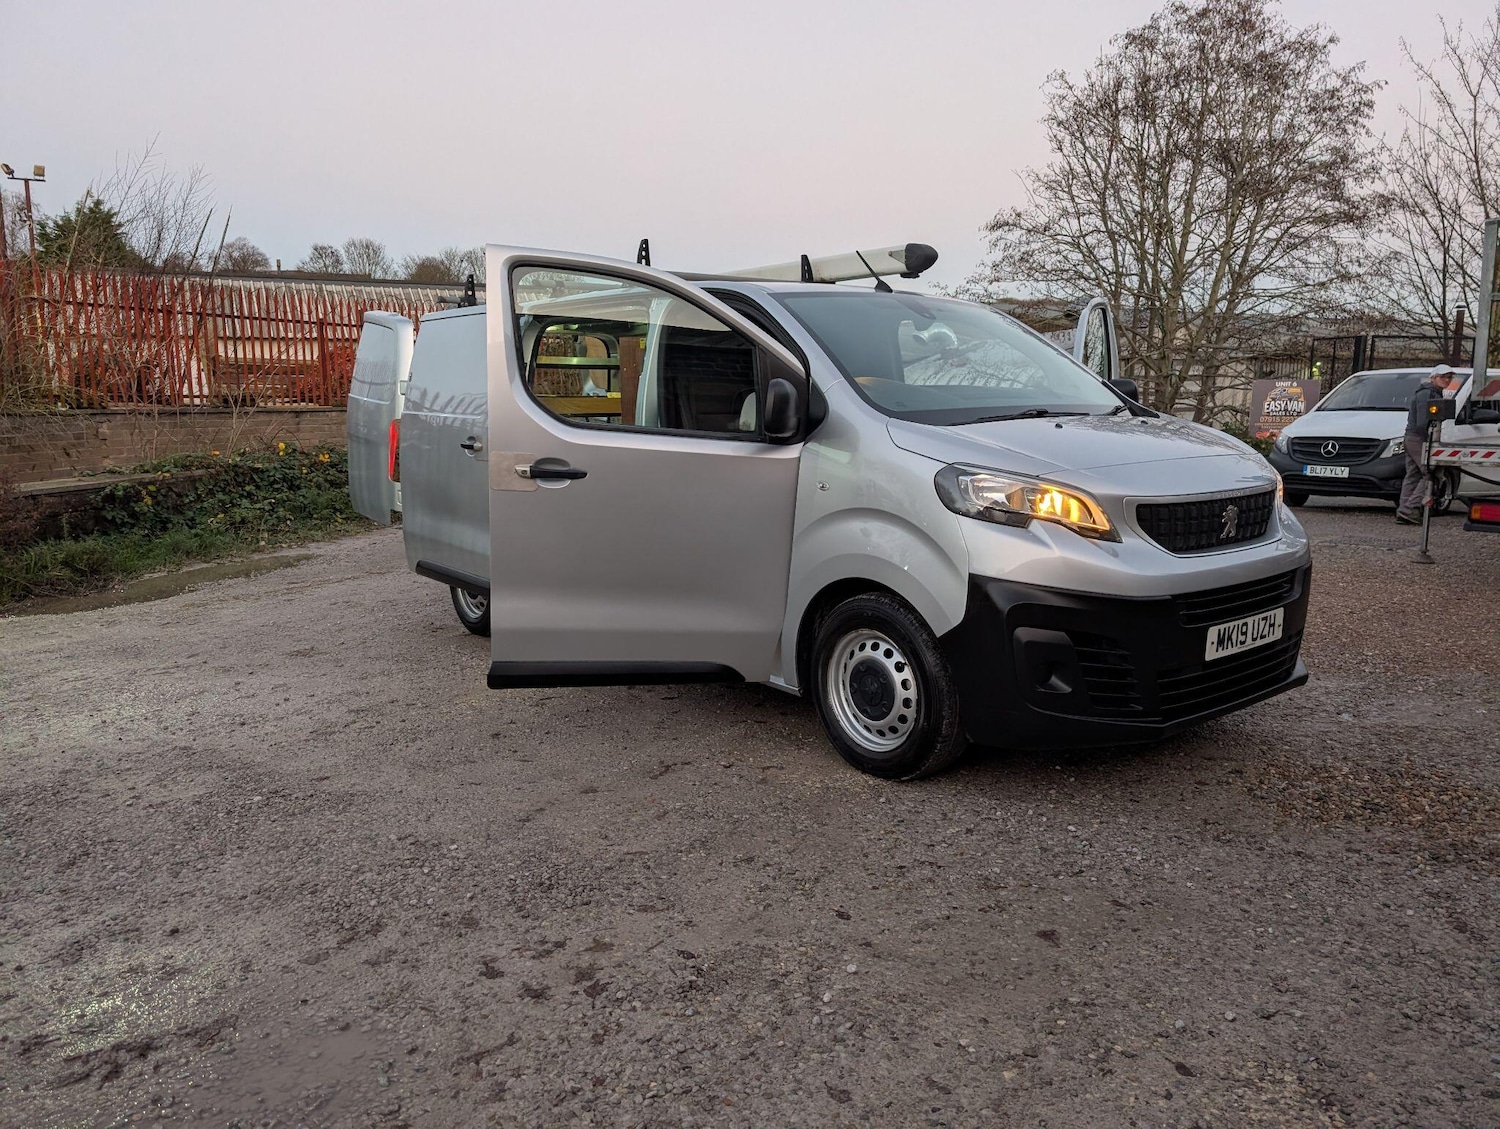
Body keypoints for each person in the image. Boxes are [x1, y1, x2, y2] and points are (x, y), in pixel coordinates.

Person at [1395, 364, 1461, 524]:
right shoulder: (1428, 394)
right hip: (1419, 438)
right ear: (1433, 378)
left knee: (1413, 474)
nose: (1447, 380)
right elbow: (1422, 422)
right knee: (1430, 473)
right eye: (1443, 377)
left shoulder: (1431, 392)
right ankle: (1410, 509)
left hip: (1413, 437)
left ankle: (1404, 510)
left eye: (1449, 377)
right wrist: (1429, 439)